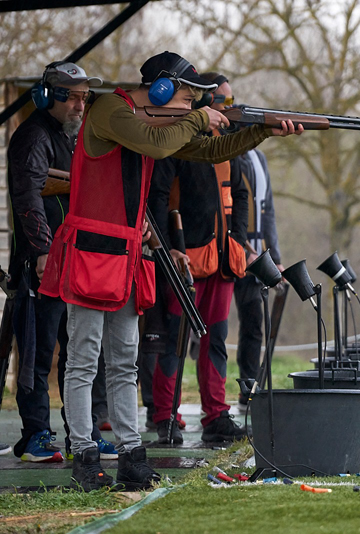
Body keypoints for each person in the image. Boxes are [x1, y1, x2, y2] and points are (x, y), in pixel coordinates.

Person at [38, 51, 303, 491]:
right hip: (91, 251)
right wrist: (201, 118)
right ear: (160, 89)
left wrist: (259, 131)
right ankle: (84, 454)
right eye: (186, 96)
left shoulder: (151, 120)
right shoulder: (111, 110)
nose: (190, 106)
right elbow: (158, 143)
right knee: (83, 360)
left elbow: (211, 151)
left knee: (123, 362)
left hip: (124, 256)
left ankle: (130, 455)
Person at [6, 61, 116, 463]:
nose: (79, 105)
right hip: (44, 263)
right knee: (37, 351)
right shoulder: (33, 137)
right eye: (71, 96)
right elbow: (29, 198)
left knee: (79, 354)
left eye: (84, 97)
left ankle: (80, 435)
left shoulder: (75, 138)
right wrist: (41, 251)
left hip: (75, 261)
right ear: (47, 96)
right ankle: (36, 435)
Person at [147, 72, 254, 444]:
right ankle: (164, 415)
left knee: (218, 340)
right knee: (174, 339)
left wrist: (239, 241)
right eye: (220, 101)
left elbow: (241, 196)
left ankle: (216, 414)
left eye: (229, 100)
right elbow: (156, 198)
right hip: (183, 260)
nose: (227, 107)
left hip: (224, 259)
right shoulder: (176, 141)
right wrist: (166, 246)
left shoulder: (227, 143)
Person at [233, 143, 282, 406]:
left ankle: (248, 388)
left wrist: (275, 257)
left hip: (255, 257)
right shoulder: (228, 154)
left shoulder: (259, 158)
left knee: (253, 323)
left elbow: (268, 211)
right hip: (227, 250)